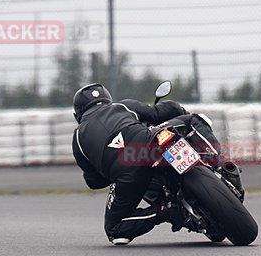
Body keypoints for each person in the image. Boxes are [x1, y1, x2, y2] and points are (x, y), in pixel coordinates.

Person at [71, 82, 191, 245]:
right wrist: (182, 112)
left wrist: (113, 172)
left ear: (77, 113)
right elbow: (163, 110)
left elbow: (93, 182)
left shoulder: (77, 138)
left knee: (114, 230)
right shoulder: (124, 106)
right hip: (149, 144)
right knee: (193, 121)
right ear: (108, 99)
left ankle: (166, 210)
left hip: (127, 174)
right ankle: (219, 164)